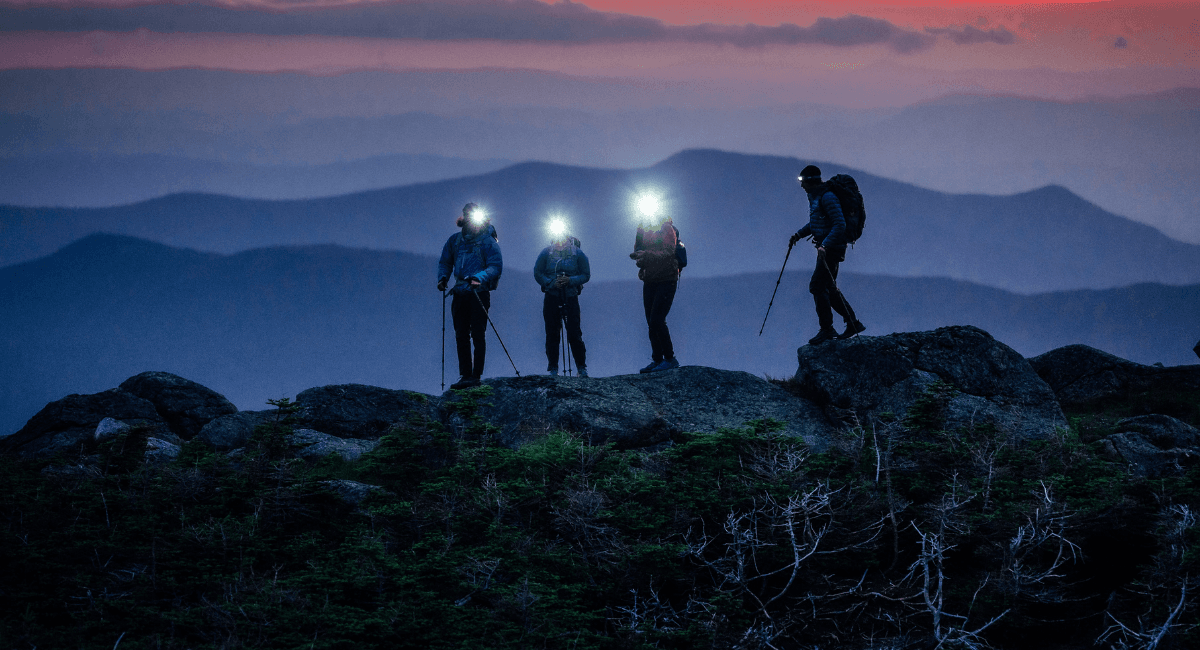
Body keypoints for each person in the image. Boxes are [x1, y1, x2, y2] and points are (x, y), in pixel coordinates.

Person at [789, 165, 866, 345]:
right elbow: (817, 223)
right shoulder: (816, 197)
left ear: (810, 181)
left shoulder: (827, 197)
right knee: (828, 288)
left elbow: (840, 224)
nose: (801, 186)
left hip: (832, 248)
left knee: (817, 286)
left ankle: (827, 329)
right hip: (827, 247)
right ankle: (853, 323)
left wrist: (824, 246)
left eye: (803, 182)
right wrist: (798, 235)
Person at [437, 203, 503, 389]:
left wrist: (479, 278)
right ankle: (466, 375)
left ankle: (475, 376)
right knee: (461, 335)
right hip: (460, 292)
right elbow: (445, 262)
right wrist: (442, 278)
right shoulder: (455, 241)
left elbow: (495, 266)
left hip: (478, 293)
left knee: (477, 334)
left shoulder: (487, 241)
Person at [533, 230, 591, 377]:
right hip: (554, 296)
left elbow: (586, 274)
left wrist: (569, 281)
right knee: (552, 333)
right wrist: (551, 283)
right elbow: (537, 272)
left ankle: (580, 368)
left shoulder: (576, 253)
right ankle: (555, 368)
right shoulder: (547, 253)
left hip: (569, 297)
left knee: (574, 333)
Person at [630, 215, 681, 372]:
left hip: (666, 279)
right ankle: (658, 359)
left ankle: (670, 359)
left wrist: (646, 256)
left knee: (657, 320)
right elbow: (638, 250)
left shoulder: (667, 229)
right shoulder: (644, 229)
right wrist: (640, 257)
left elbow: (668, 252)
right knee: (650, 321)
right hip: (650, 279)